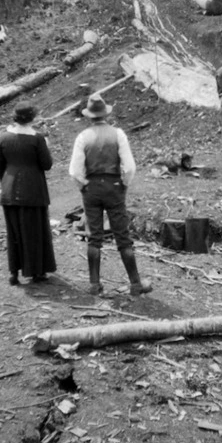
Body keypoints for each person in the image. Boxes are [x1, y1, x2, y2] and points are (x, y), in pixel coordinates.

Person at [69, 94, 152, 297]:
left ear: (90, 116)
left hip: (92, 189)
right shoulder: (118, 134)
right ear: (106, 113)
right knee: (123, 237)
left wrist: (84, 186)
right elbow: (130, 167)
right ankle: (134, 284)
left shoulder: (83, 137)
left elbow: (74, 171)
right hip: (114, 187)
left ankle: (94, 285)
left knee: (94, 237)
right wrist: (123, 184)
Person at [0, 101, 56, 285]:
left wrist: (5, 183)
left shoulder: (4, 137)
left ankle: (14, 272)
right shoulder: (37, 138)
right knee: (34, 231)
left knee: (13, 231)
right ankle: (36, 272)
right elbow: (47, 164)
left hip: (9, 189)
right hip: (33, 189)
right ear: (32, 117)